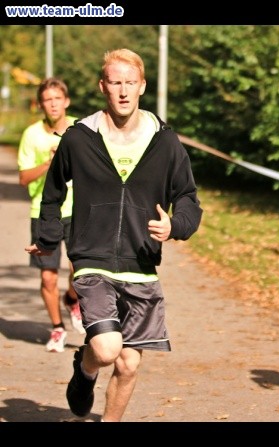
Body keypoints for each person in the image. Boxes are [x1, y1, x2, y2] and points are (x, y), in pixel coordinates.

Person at [25, 48, 203, 422]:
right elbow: (53, 192)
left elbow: (187, 197)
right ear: (102, 86)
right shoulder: (79, 138)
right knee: (106, 350)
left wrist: (176, 225)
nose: (123, 91)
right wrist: (47, 238)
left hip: (141, 263)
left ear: (142, 87)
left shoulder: (165, 142)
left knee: (128, 365)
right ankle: (87, 369)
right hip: (92, 259)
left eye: (130, 82)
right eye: (115, 82)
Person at [17, 77, 85, 353]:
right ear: (41, 104)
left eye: (58, 98)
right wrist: (49, 163)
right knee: (47, 277)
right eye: (48, 99)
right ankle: (57, 328)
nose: (53, 104)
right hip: (43, 212)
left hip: (77, 209)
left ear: (66, 102)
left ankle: (72, 299)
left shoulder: (80, 128)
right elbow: (23, 178)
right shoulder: (32, 135)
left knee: (79, 272)